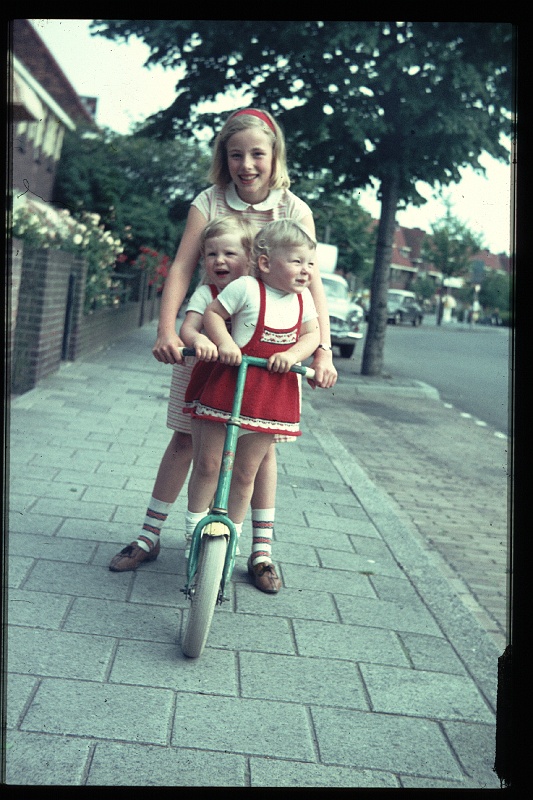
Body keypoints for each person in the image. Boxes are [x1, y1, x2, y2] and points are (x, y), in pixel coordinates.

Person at [109, 107, 337, 573]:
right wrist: (167, 329)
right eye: (237, 155)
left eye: (258, 154)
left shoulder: (293, 209)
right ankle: (149, 535)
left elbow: (311, 282)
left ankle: (260, 553)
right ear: (224, 158)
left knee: (261, 448)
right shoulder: (209, 201)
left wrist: (322, 350)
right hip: (211, 344)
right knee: (186, 437)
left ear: (275, 157)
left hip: (272, 346)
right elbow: (181, 265)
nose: (247, 165)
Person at [185, 219, 321, 592]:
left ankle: (234, 541)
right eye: (296, 262)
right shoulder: (245, 287)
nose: (306, 271)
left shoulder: (302, 300)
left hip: (269, 397)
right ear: (264, 263)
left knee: (247, 473)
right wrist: (226, 342)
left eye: (310, 263)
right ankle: (190, 532)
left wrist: (293, 353)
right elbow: (213, 314)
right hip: (229, 387)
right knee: (209, 465)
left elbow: (313, 335)